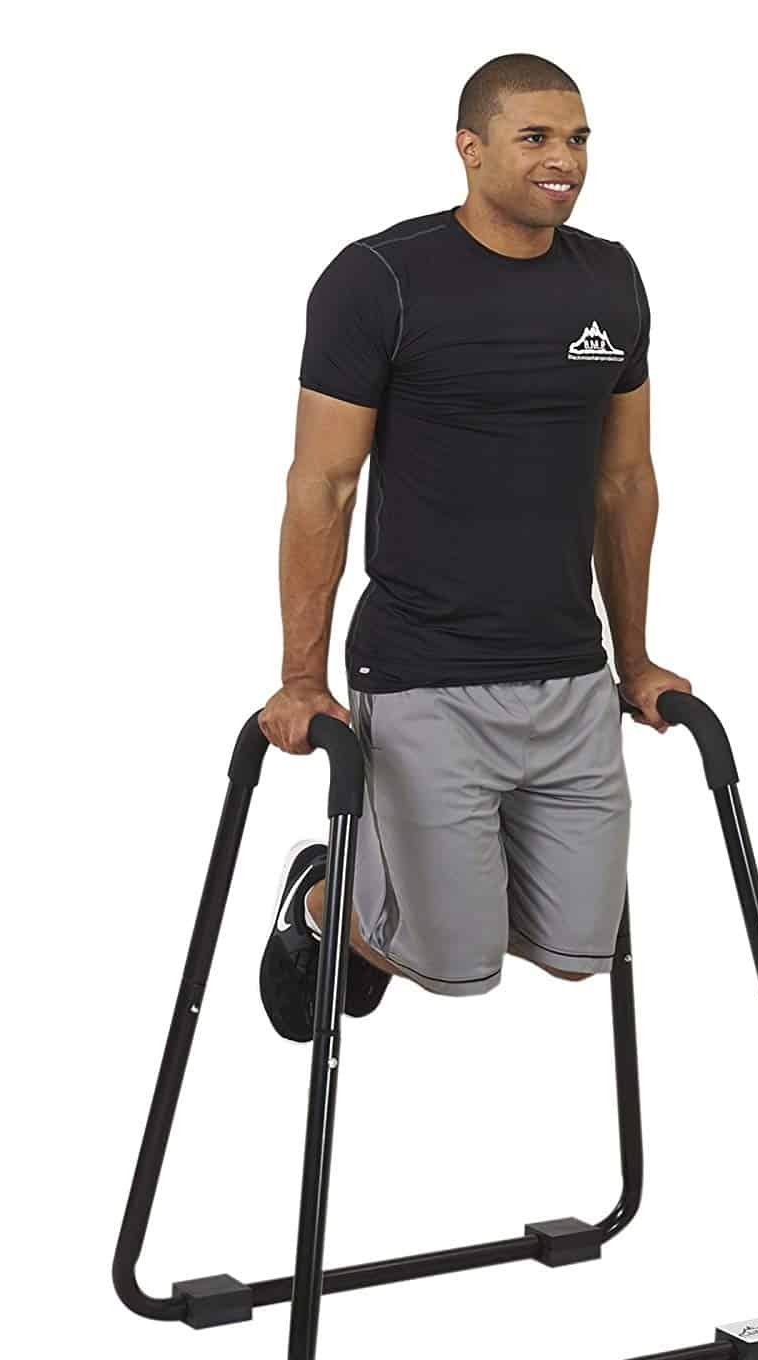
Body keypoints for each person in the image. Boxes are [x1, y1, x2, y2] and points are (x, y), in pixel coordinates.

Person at [256, 53, 690, 1038]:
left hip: (568, 673)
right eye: (535, 137)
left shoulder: (610, 279)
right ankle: (323, 903)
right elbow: (322, 484)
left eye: (577, 139)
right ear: (470, 148)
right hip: (426, 672)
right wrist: (300, 679)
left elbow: (625, 480)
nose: (563, 159)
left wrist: (635, 661)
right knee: (452, 967)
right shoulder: (381, 280)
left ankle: (371, 887)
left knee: (579, 952)